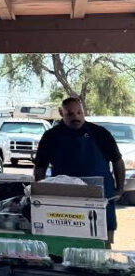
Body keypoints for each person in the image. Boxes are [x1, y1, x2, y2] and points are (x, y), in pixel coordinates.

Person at [34, 96, 125, 245]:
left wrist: (120, 188)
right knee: (66, 243)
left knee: (102, 242)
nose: (76, 117)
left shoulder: (100, 133)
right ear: (61, 113)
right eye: (70, 114)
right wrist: (40, 192)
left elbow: (117, 161)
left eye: (79, 113)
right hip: (65, 199)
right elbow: (40, 166)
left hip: (101, 197)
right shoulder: (51, 137)